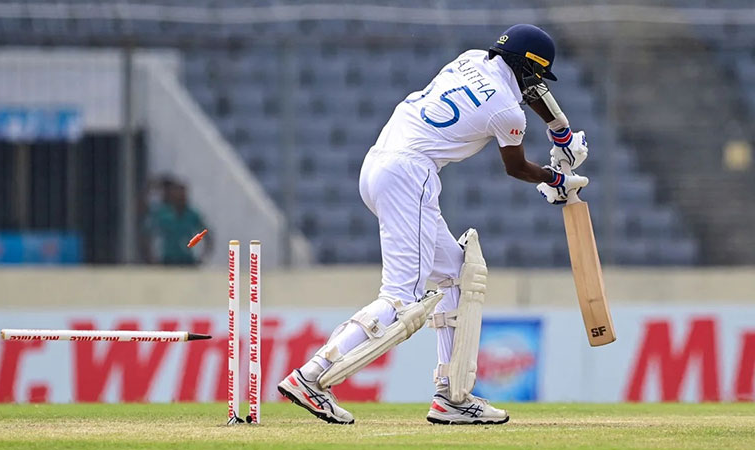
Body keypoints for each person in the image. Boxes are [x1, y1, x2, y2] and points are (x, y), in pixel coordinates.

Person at [278, 24, 589, 425]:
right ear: (527, 68)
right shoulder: (508, 113)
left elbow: (528, 92)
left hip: (377, 165)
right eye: (536, 76)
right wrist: (556, 179)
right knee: (401, 298)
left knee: (458, 273)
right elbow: (516, 167)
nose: (536, 87)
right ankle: (311, 376)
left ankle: (451, 396)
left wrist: (560, 130)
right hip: (411, 174)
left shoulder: (471, 58)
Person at [142, 178, 212, 266]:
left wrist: (202, 257)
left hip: (187, 260)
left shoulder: (192, 215)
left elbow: (207, 235)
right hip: (167, 260)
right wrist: (150, 258)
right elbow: (147, 234)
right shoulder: (163, 214)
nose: (181, 197)